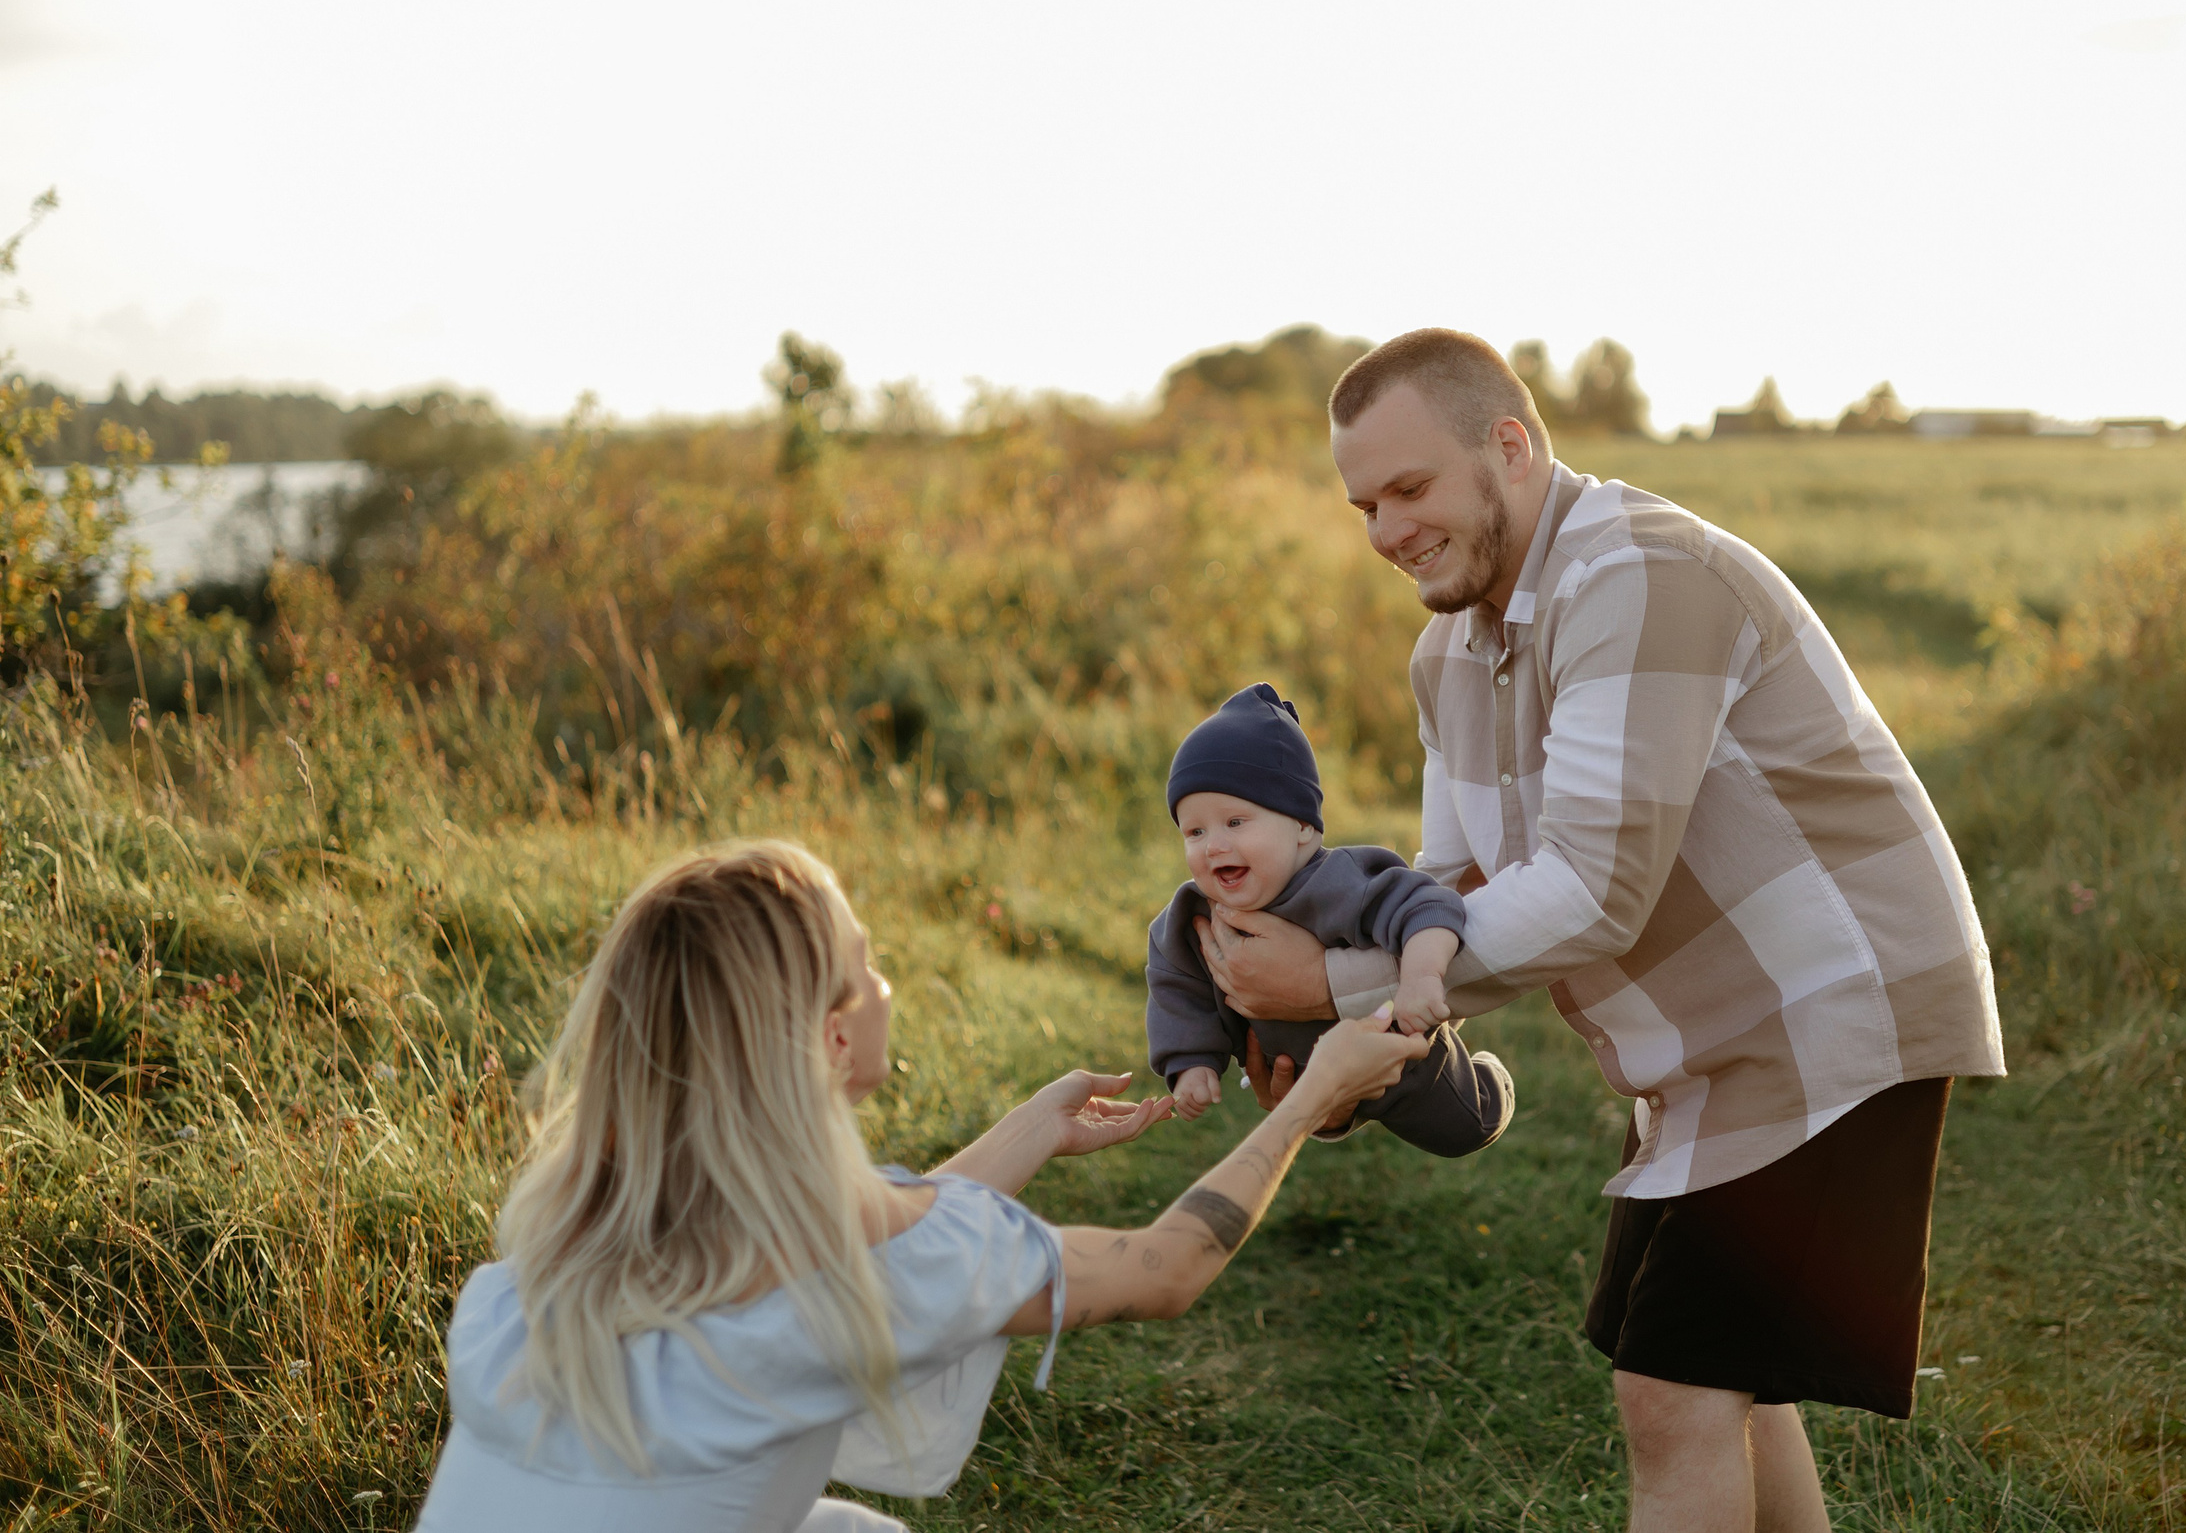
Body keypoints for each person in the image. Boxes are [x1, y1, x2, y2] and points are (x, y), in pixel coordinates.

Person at [1189, 329, 2007, 1533]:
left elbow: (1587, 888)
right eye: (1362, 503)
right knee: (1720, 1379)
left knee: (1670, 1390)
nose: (1383, 530)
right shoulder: (1448, 653)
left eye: (1408, 488)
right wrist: (1333, 1019)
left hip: (1832, 1012)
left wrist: (1338, 976)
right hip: (1705, 1050)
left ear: (1508, 448)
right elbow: (1447, 880)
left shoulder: (1638, 577)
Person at [411, 838, 1423, 1533]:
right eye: (871, 963)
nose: (889, 983)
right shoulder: (869, 1269)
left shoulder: (564, 1248)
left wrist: (1030, 1128)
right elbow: (1165, 1266)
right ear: (834, 1035)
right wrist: (1311, 1094)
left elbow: (871, 1255)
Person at [1146, 680, 1514, 1155]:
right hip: (1302, 1078)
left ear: (1302, 826)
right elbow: (1175, 982)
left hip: (1400, 1056)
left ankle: (1492, 1078)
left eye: (1235, 822)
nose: (1214, 844)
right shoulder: (1193, 915)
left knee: (1463, 1129)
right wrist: (1190, 1062)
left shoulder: (1339, 881)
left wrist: (1422, 977)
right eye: (1194, 831)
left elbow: (1428, 906)